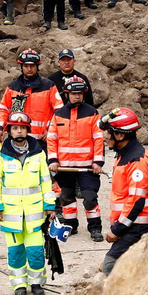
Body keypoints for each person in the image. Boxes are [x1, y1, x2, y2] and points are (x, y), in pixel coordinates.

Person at [0, 111, 55, 295]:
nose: (19, 131)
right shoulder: (0, 155)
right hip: (10, 212)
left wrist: (49, 205)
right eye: (15, 128)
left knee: (35, 252)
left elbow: (45, 181)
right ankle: (19, 284)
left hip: (34, 211)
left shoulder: (38, 154)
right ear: (10, 130)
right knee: (16, 252)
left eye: (22, 128)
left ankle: (36, 283)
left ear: (27, 131)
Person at [100, 107, 148, 275]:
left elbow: (136, 201)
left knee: (110, 267)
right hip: (131, 225)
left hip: (136, 227)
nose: (105, 136)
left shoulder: (136, 161)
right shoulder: (124, 155)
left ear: (120, 135)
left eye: (108, 133)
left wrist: (117, 230)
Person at [47, 75, 104, 240]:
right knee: (66, 197)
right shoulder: (59, 114)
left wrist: (98, 162)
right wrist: (53, 160)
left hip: (87, 166)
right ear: (66, 94)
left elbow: (98, 139)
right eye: (73, 93)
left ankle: (95, 228)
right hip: (64, 166)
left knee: (90, 197)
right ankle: (71, 226)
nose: (77, 96)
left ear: (84, 93)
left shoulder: (92, 113)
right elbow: (52, 139)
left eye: (80, 93)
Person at [0, 48, 62, 144]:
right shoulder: (13, 87)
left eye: (32, 66)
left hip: (42, 141)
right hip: (17, 140)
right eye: (26, 66)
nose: (29, 69)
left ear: (37, 66)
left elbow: (59, 111)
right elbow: (4, 110)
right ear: (21, 67)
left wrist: (52, 130)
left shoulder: (48, 86)